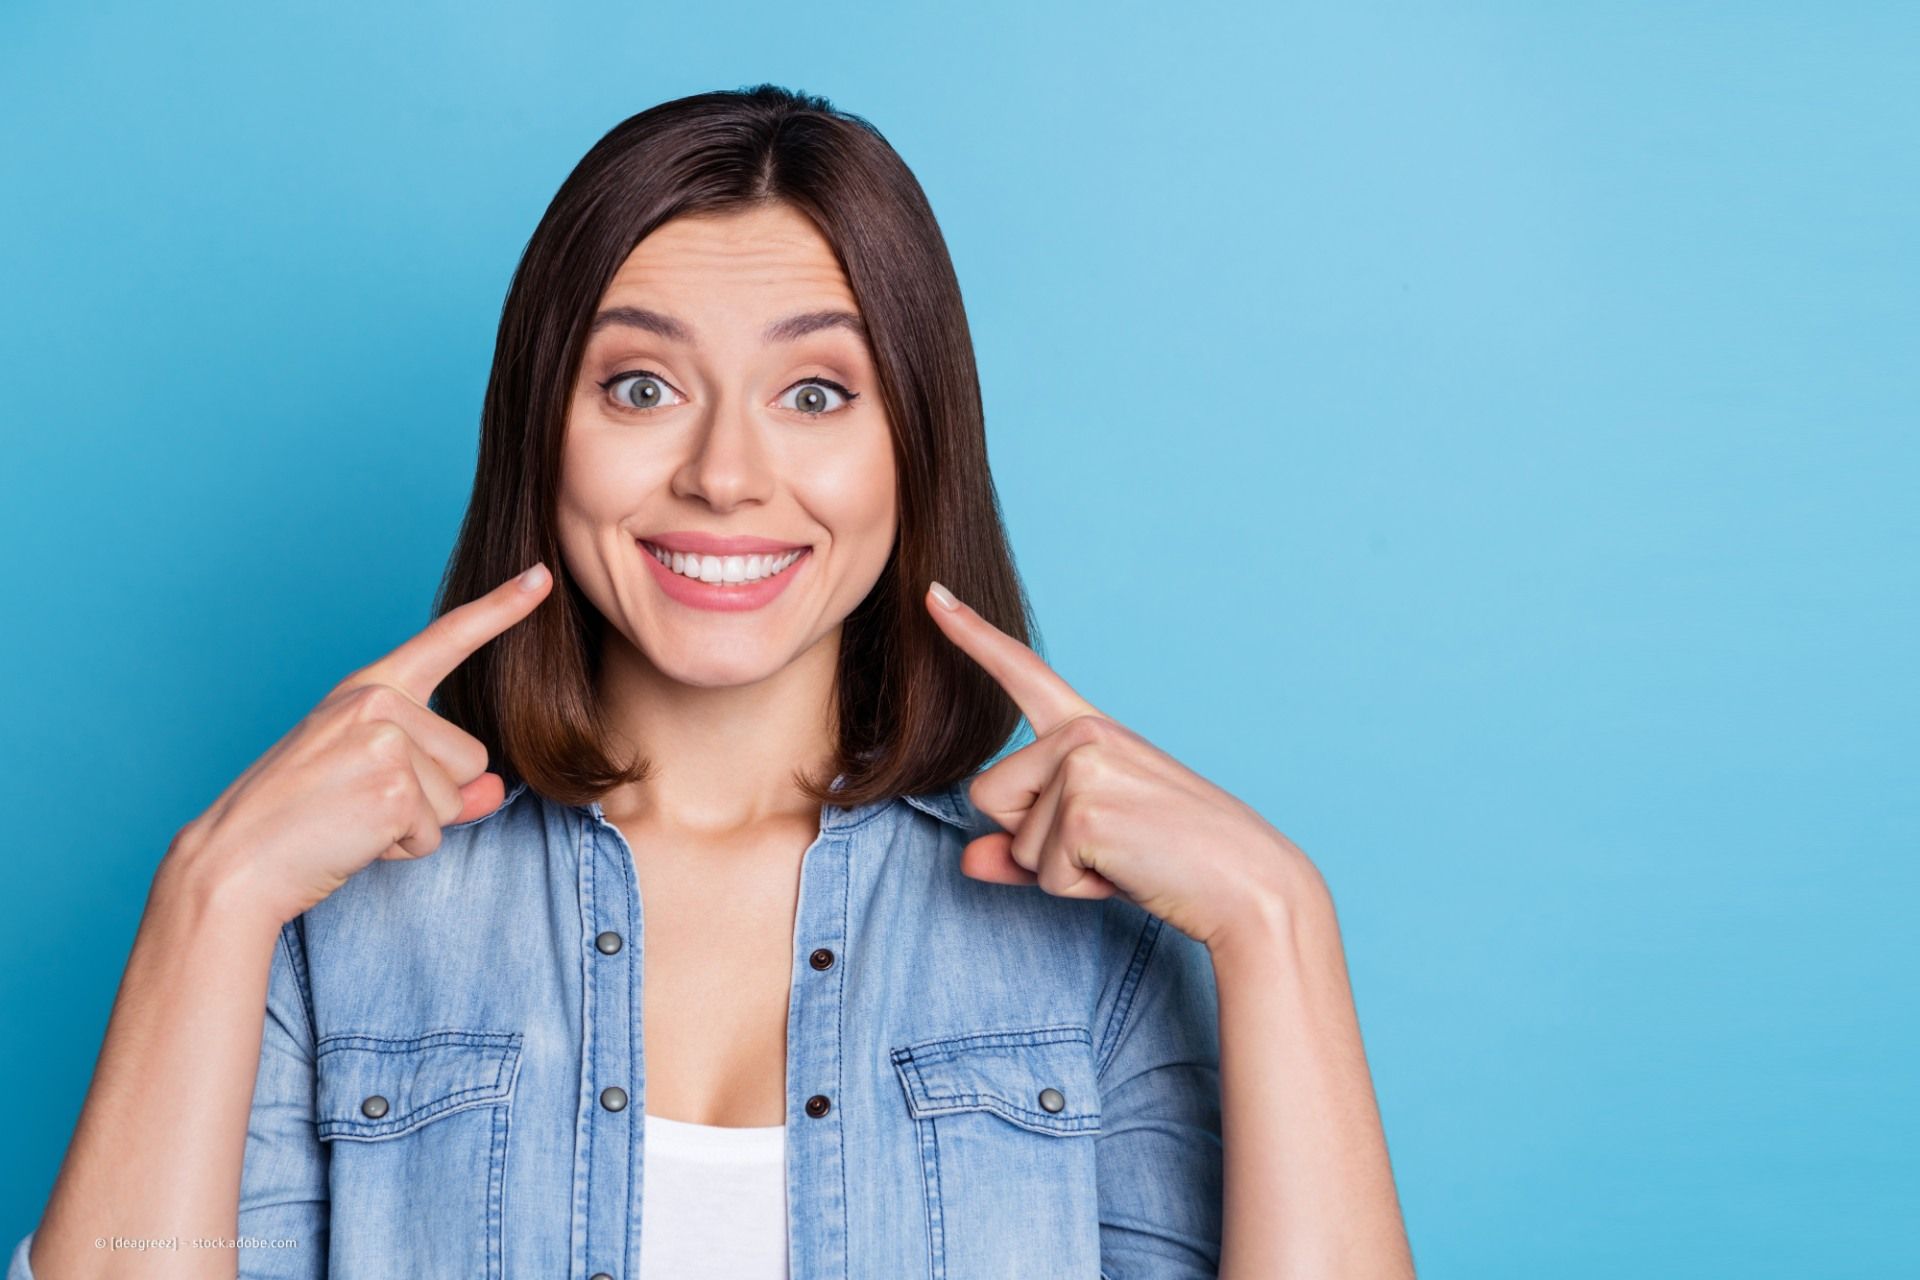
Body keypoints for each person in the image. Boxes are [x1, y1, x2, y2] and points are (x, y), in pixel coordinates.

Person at [10, 84, 1413, 1278]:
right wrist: (211, 893)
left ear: (915, 448)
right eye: (641, 387)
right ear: (541, 433)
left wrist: (1277, 920)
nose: (726, 475)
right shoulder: (329, 929)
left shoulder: (1100, 947)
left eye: (816, 393)